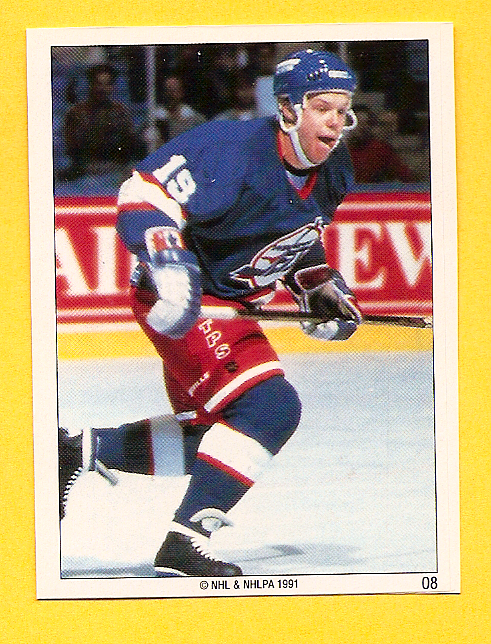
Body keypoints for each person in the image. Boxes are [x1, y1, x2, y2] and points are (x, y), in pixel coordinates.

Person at [58, 49, 363, 577]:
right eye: (322, 108)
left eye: (342, 110)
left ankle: (77, 451)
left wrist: (318, 286)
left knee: (215, 439)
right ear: (287, 109)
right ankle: (185, 544)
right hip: (186, 299)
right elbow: (142, 193)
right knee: (270, 409)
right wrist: (169, 262)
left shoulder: (335, 172)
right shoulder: (231, 148)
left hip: (229, 307)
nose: (335, 122)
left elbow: (295, 241)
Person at [62, 63, 140, 181]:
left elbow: (129, 144)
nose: (102, 89)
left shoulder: (121, 112)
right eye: (98, 84)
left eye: (107, 84)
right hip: (85, 172)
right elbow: (72, 147)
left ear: (112, 87)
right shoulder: (76, 112)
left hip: (116, 170)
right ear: (91, 85)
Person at [346, 104, 414, 183]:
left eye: (366, 123)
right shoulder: (337, 150)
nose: (362, 128)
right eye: (357, 123)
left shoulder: (380, 149)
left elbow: (405, 176)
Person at [153, 75, 206, 143]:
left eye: (174, 90)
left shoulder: (195, 119)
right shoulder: (153, 118)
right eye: (167, 90)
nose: (170, 94)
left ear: (181, 92)